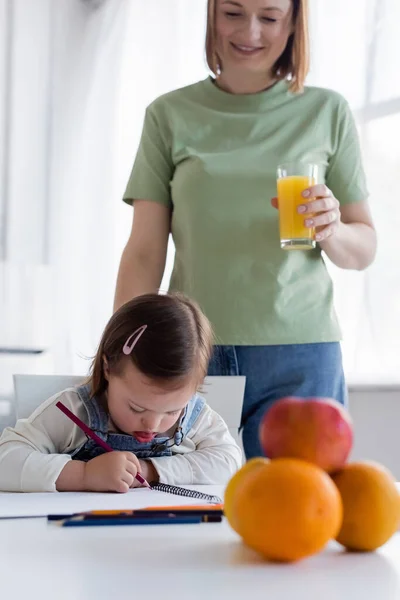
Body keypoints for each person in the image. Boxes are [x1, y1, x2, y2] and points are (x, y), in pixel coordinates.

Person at [114, 0, 377, 459]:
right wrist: (117, 352)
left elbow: (363, 248)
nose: (249, 31)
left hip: (300, 355)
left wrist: (332, 228)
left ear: (294, 22)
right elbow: (144, 251)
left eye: (269, 17)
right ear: (212, 14)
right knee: (178, 506)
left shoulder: (327, 110)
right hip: (190, 351)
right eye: (232, 13)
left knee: (298, 511)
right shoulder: (169, 114)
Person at [0, 293, 242, 493]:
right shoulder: (74, 410)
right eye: (137, 408)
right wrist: (84, 475)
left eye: (172, 411)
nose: (153, 424)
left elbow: (229, 462)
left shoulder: (194, 418)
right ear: (108, 369)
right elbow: (6, 460)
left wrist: (148, 470)